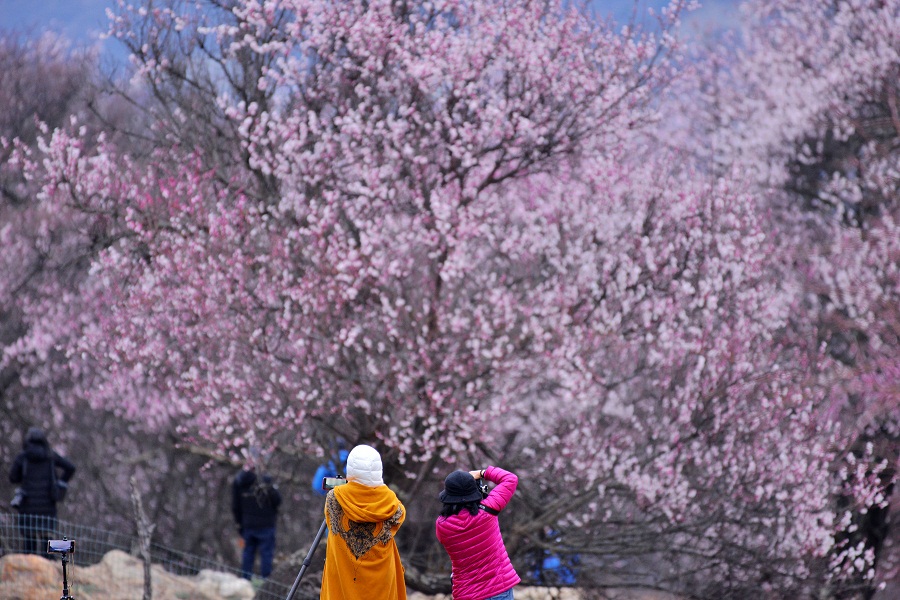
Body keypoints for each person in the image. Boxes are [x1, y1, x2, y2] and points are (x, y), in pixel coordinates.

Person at [320, 444, 406, 600]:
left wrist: (346, 485)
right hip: (381, 587)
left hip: (342, 588)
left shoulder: (334, 498)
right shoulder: (394, 506)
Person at [435, 466, 520, 600]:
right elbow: (510, 478)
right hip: (499, 588)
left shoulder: (442, 525)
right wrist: (482, 473)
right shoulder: (488, 510)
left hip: (466, 593)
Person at [8, 427, 76, 557]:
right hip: (48, 508)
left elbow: (12, 477)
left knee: (29, 544)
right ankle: (50, 570)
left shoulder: (23, 456)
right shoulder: (51, 456)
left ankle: (30, 572)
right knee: (49, 543)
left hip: (28, 508)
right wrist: (61, 483)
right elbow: (71, 467)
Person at [232, 466, 282, 580]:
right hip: (266, 524)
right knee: (266, 555)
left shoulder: (239, 481)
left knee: (247, 555)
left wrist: (239, 524)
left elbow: (235, 506)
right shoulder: (266, 481)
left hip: (247, 525)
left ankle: (245, 581)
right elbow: (277, 501)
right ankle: (266, 583)